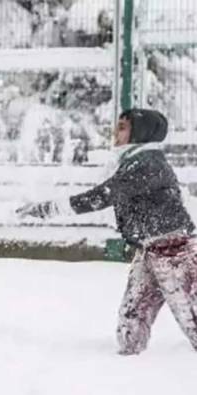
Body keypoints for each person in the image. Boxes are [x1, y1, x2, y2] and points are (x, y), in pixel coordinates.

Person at [16, 108, 197, 355]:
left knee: (191, 315)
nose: (115, 132)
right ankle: (127, 365)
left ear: (140, 133)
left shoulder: (148, 164)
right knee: (132, 314)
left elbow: (101, 196)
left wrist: (47, 209)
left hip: (174, 251)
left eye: (123, 127)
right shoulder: (133, 162)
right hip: (149, 249)